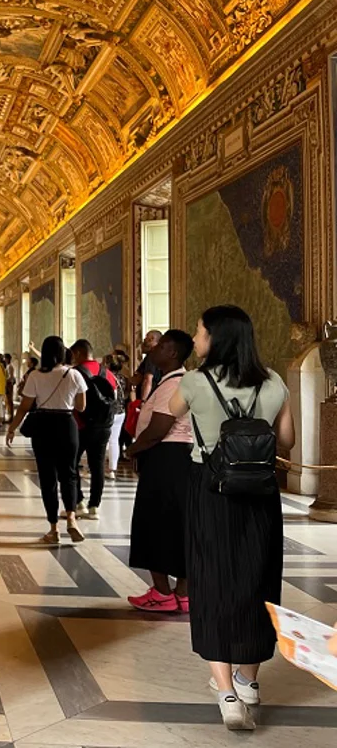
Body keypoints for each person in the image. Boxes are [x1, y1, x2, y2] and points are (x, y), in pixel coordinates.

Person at [168, 305, 295, 732]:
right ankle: (250, 679)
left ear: (215, 339)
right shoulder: (274, 382)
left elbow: (173, 409)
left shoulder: (194, 382)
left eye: (200, 332)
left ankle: (226, 693)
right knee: (258, 579)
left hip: (210, 487)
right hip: (261, 492)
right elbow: (288, 441)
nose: (196, 337)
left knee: (212, 579)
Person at [124, 330, 194, 614]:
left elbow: (158, 428)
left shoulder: (173, 384)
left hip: (166, 458)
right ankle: (183, 592)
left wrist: (133, 450)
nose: (153, 349)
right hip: (178, 459)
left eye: (161, 345)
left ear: (173, 354)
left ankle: (163, 592)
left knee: (153, 523)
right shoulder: (175, 381)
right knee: (178, 524)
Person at [6, 336, 88, 544]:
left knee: (47, 478)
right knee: (69, 474)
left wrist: (12, 428)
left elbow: (25, 407)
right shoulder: (74, 374)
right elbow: (81, 407)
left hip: (43, 427)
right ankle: (71, 519)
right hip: (67, 426)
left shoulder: (35, 375)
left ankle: (53, 529)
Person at [70, 339, 117, 519]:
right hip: (103, 425)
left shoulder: (75, 373)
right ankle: (94, 506)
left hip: (81, 425)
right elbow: (113, 398)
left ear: (79, 353)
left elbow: (71, 399)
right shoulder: (107, 372)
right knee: (97, 466)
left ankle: (78, 501)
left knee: (72, 463)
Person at [104, 352, 130, 480]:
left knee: (104, 440)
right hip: (121, 411)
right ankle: (112, 469)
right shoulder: (123, 378)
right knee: (114, 440)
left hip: (109, 411)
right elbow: (125, 394)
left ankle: (100, 466)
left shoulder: (106, 377)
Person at [132, 329, 164, 400]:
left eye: (146, 337)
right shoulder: (162, 355)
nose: (144, 339)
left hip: (150, 398)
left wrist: (143, 400)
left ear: (151, 339)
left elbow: (148, 379)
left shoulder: (152, 356)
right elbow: (138, 378)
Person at [4, 353, 17, 419]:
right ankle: (9, 414)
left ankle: (11, 415)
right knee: (7, 400)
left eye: (5, 358)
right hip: (7, 383)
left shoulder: (10, 366)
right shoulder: (7, 366)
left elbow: (10, 377)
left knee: (9, 400)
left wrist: (4, 380)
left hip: (9, 384)